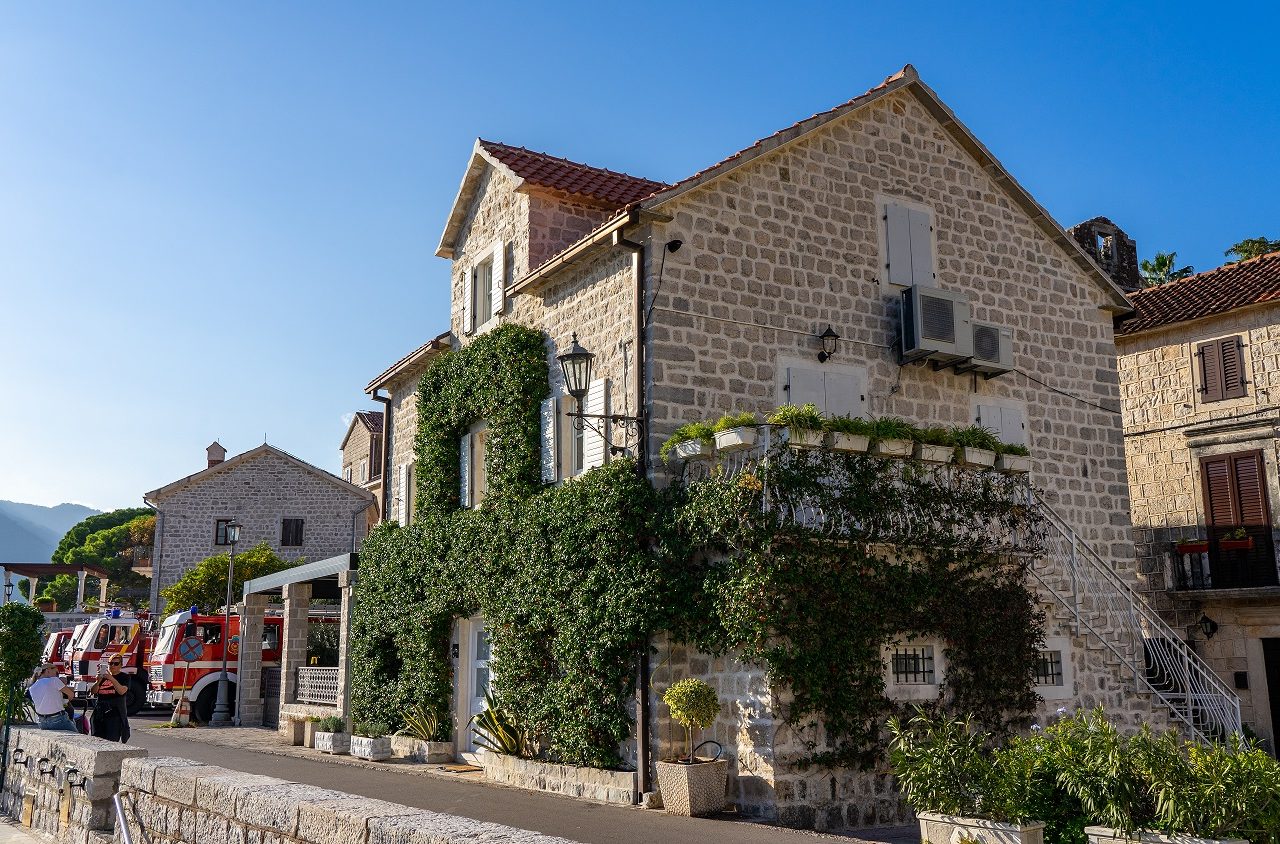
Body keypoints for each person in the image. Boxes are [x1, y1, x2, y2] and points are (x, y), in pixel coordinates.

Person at [91, 654, 130, 743]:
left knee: (111, 741)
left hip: (114, 713)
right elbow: (93, 692)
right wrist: (98, 681)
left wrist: (111, 678)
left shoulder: (124, 677)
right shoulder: (102, 677)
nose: (112, 666)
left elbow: (122, 691)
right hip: (100, 712)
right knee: (96, 739)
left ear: (121, 665)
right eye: (110, 663)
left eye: (115, 664)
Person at [27, 663, 76, 732]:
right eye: (56, 672)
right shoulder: (54, 680)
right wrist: (66, 700)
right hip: (58, 719)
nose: (57, 675)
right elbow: (71, 694)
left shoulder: (32, 687)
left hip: (42, 722)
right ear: (48, 671)